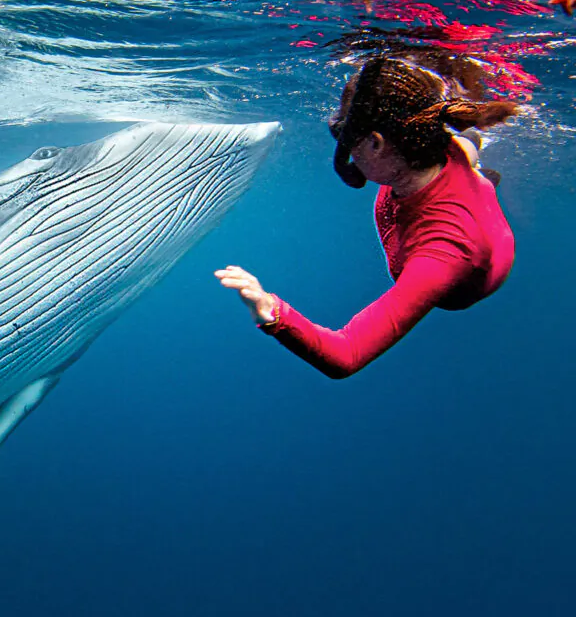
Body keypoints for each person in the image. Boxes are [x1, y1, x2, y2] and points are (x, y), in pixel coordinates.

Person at [215, 55, 519, 379]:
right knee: (463, 152)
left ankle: (481, 178)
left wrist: (270, 311)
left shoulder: (441, 254)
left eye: (344, 135)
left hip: (471, 275)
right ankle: (478, 172)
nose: (344, 148)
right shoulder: (429, 141)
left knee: (468, 166)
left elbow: (347, 354)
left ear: (376, 143)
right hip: (456, 189)